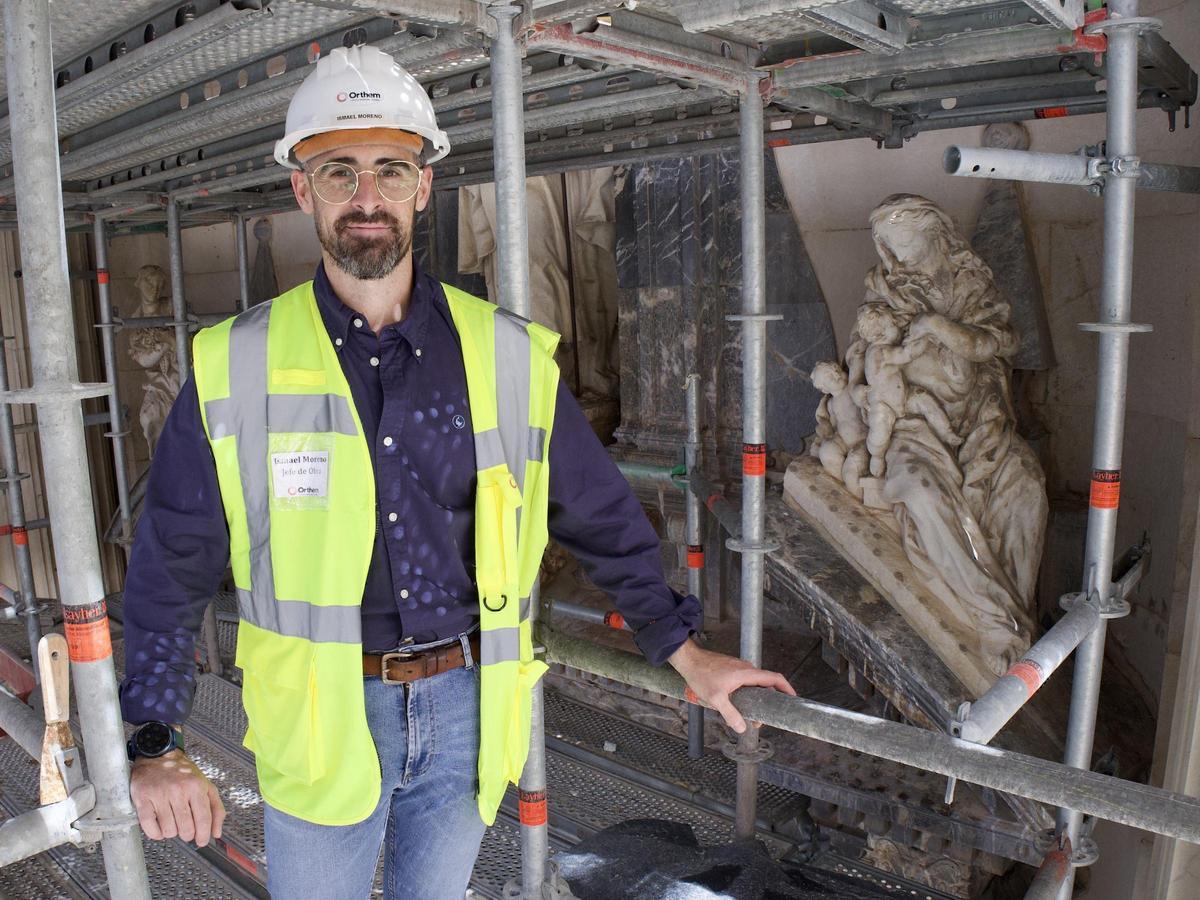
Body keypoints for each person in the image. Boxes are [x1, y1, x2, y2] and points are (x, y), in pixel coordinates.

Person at [120, 45, 794, 900]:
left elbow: (596, 510)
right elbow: (171, 558)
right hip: (321, 721)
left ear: (422, 187)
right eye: (339, 173)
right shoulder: (233, 365)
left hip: (468, 712)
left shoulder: (506, 356)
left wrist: (683, 649)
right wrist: (152, 736)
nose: (367, 199)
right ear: (301, 189)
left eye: (390, 171)